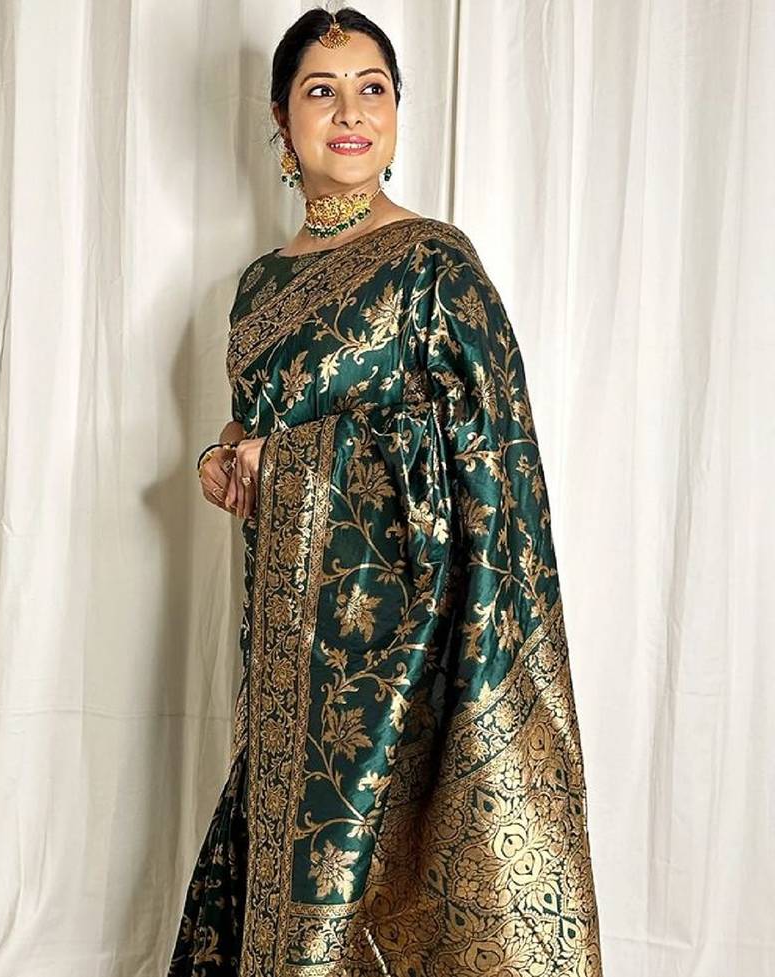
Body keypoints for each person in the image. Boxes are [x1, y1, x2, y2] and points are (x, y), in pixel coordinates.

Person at [168, 7, 603, 976]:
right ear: (281, 119)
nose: (350, 112)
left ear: (397, 109)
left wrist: (288, 463)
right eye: (321, 91)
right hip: (288, 647)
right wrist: (227, 453)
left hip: (408, 649)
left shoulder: (434, 264)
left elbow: (488, 447)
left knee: (365, 891)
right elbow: (265, 426)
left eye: (372, 89)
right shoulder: (257, 289)